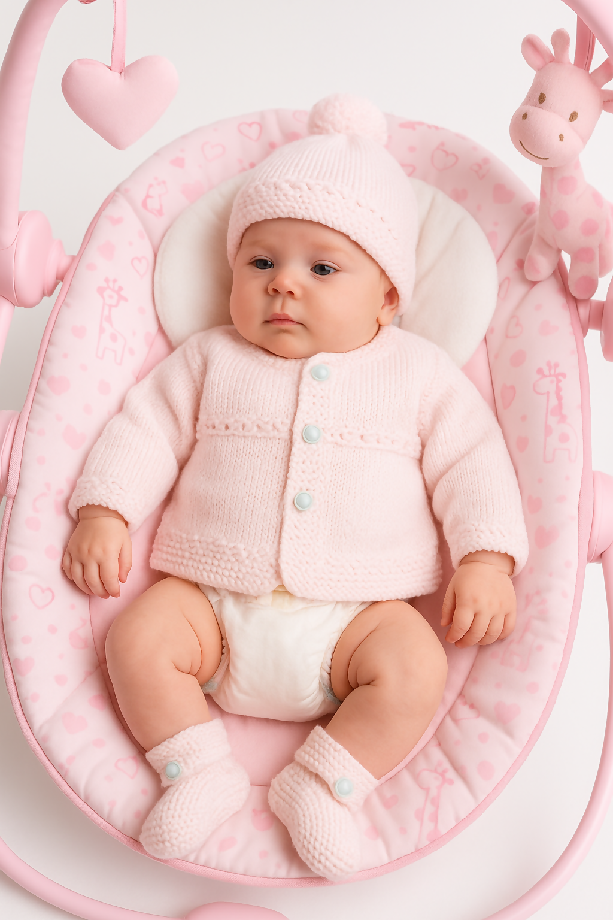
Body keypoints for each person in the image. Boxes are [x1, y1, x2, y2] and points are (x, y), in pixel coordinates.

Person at [63, 94, 529, 881]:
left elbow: (472, 462)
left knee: (417, 664)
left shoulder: (417, 374)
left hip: (357, 620)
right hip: (209, 604)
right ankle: (195, 764)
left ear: (386, 298)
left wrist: (486, 560)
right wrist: (105, 509)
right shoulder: (211, 358)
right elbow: (144, 428)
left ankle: (320, 783)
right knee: (134, 639)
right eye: (260, 262)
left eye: (321, 268)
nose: (284, 286)